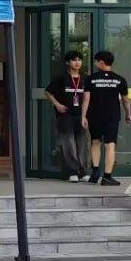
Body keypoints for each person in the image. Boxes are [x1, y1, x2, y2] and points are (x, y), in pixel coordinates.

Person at [86, 49, 131, 187]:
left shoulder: (90, 79)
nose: (95, 64)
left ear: (101, 62)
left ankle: (95, 172)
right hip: (112, 116)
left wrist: (83, 116)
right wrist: (128, 114)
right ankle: (107, 177)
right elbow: (125, 100)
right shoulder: (119, 79)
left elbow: (86, 99)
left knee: (95, 141)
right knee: (110, 145)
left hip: (94, 115)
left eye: (96, 61)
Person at [44, 51, 90, 182]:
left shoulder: (85, 78)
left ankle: (83, 171)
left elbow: (86, 98)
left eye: (79, 60)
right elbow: (48, 92)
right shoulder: (61, 78)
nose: (77, 62)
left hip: (80, 114)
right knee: (68, 143)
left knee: (82, 143)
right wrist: (57, 105)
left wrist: (84, 116)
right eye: (74, 60)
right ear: (68, 62)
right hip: (65, 114)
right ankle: (72, 171)